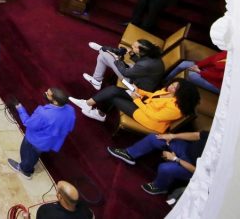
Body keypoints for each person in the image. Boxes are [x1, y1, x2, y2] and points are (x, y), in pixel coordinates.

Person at [107, 130, 209, 195]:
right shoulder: (218, 135)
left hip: (193, 167)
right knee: (154, 138)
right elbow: (197, 135)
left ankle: (160, 187)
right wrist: (172, 136)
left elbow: (199, 171)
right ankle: (129, 154)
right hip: (186, 148)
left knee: (164, 168)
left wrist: (175, 159)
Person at [69, 79, 200, 129]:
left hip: (148, 119)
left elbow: (155, 116)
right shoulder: (169, 92)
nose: (170, 87)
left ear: (182, 94)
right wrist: (138, 91)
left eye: (174, 88)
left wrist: (136, 99)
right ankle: (88, 104)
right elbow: (152, 95)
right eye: (173, 84)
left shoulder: (176, 108)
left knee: (114, 97)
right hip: (145, 105)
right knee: (114, 89)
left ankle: (97, 112)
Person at [6, 87, 76, 179]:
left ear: (55, 102)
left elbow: (28, 123)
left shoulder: (44, 113)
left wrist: (19, 108)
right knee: (34, 155)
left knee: (27, 153)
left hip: (35, 140)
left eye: (48, 94)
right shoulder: (71, 109)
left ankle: (25, 170)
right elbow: (70, 127)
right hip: (50, 141)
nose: (45, 92)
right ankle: (29, 165)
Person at [82, 38, 163, 91]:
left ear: (140, 50)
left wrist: (117, 58)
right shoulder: (153, 55)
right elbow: (142, 64)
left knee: (104, 54)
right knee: (102, 57)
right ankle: (96, 80)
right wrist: (131, 53)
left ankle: (101, 49)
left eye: (134, 46)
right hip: (138, 74)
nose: (131, 46)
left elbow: (125, 72)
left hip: (134, 85)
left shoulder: (144, 64)